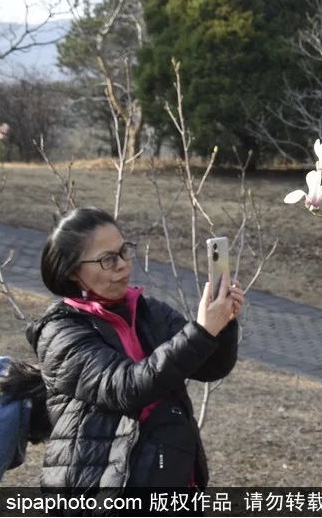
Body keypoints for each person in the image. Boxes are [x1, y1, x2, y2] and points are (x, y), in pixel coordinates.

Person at [24, 207, 243, 492]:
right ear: (74, 272)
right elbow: (126, 388)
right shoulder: (60, 332)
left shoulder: (150, 311)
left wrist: (222, 326)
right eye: (108, 259)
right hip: (103, 490)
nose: (123, 265)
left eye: (124, 251)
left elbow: (211, 367)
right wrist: (202, 331)